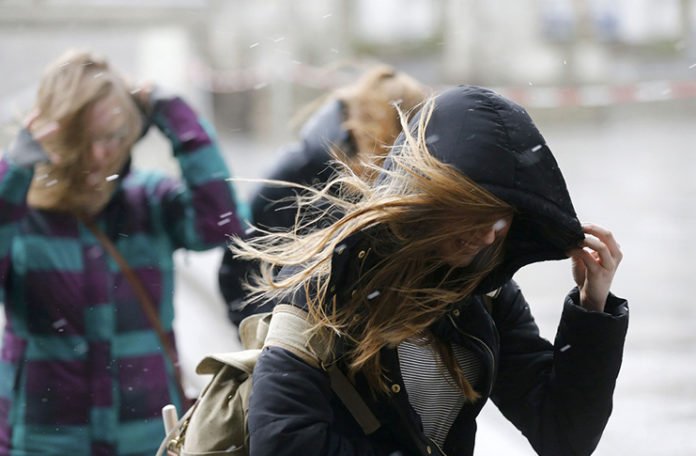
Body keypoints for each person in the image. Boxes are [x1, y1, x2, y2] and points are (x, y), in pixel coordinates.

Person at [230, 85, 629, 456]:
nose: (488, 237)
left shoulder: (487, 295)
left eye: (502, 218)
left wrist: (591, 309)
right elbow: (281, 443)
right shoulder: (327, 289)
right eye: (474, 214)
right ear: (428, 200)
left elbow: (562, 435)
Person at [0, 49, 243, 455]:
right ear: (56, 137)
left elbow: (220, 223)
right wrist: (10, 179)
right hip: (45, 441)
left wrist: (178, 118)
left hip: (148, 436)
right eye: (86, 139)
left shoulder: (149, 201)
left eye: (113, 137)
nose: (101, 154)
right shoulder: (22, 215)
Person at [218, 65, 426, 326]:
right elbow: (240, 263)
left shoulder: (407, 183)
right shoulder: (300, 173)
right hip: (294, 342)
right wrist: (276, 336)